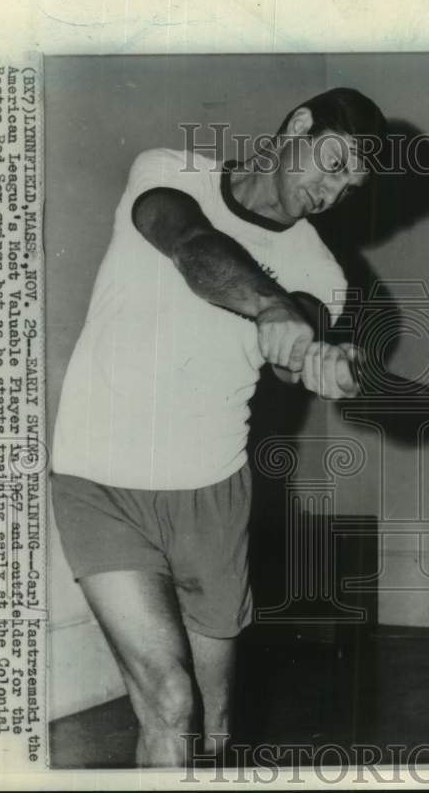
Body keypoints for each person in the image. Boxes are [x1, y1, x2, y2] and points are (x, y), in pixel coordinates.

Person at [50, 88, 386, 767]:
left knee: (216, 721)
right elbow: (188, 241)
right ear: (296, 124)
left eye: (348, 185)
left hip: (210, 490)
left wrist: (322, 360)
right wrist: (268, 305)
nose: (331, 188)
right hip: (98, 478)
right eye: (332, 159)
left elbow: (303, 343)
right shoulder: (169, 171)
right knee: (170, 702)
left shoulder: (321, 269)